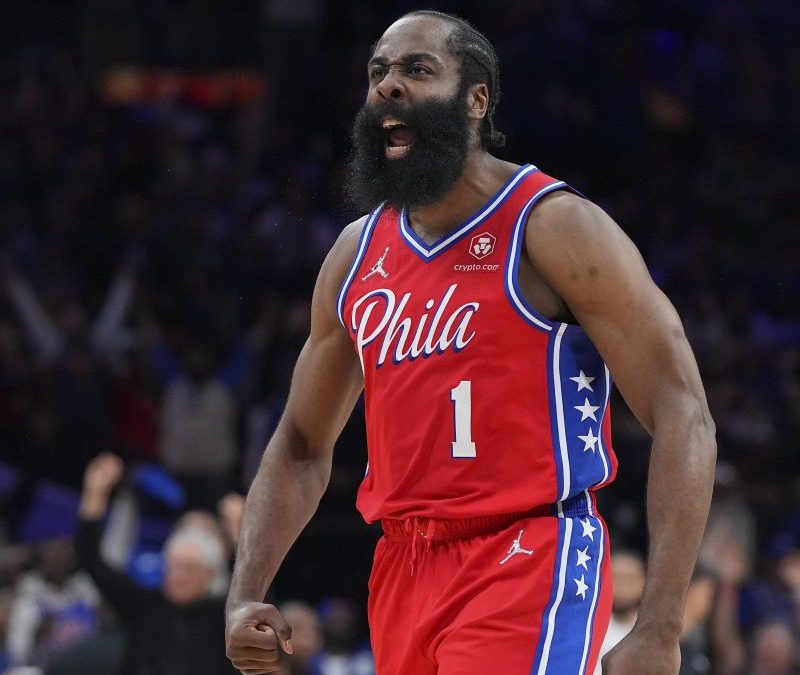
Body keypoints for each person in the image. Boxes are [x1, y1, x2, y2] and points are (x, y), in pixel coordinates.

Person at [225, 10, 716, 675]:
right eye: (378, 72)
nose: (388, 85)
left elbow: (683, 409)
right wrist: (244, 593)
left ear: (476, 99)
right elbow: (301, 444)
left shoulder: (552, 225)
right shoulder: (355, 255)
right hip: (402, 566)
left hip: (529, 552)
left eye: (417, 69)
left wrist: (660, 624)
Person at [77, 452, 237, 675]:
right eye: (173, 566)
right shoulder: (145, 604)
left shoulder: (224, 617)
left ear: (209, 574)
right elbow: (92, 562)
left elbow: (258, 604)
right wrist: (94, 495)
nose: (178, 576)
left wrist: (241, 538)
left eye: (188, 569)